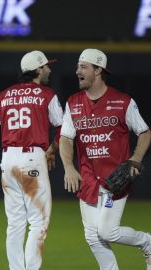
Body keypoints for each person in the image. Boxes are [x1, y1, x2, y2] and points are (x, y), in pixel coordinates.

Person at [59, 48, 151, 270]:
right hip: (88, 178)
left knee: (107, 231)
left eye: (83, 66)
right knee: (92, 237)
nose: (77, 71)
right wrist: (68, 167)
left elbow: (145, 132)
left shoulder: (122, 101)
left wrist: (136, 158)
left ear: (98, 70)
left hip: (114, 178)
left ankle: (147, 242)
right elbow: (65, 138)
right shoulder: (73, 102)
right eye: (77, 66)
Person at [0, 51, 63, 270]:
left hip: (8, 160)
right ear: (38, 69)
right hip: (33, 158)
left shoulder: (3, 96)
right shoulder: (47, 95)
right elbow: (63, 130)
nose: (49, 70)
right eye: (46, 66)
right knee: (38, 222)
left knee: (15, 225)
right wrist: (51, 151)